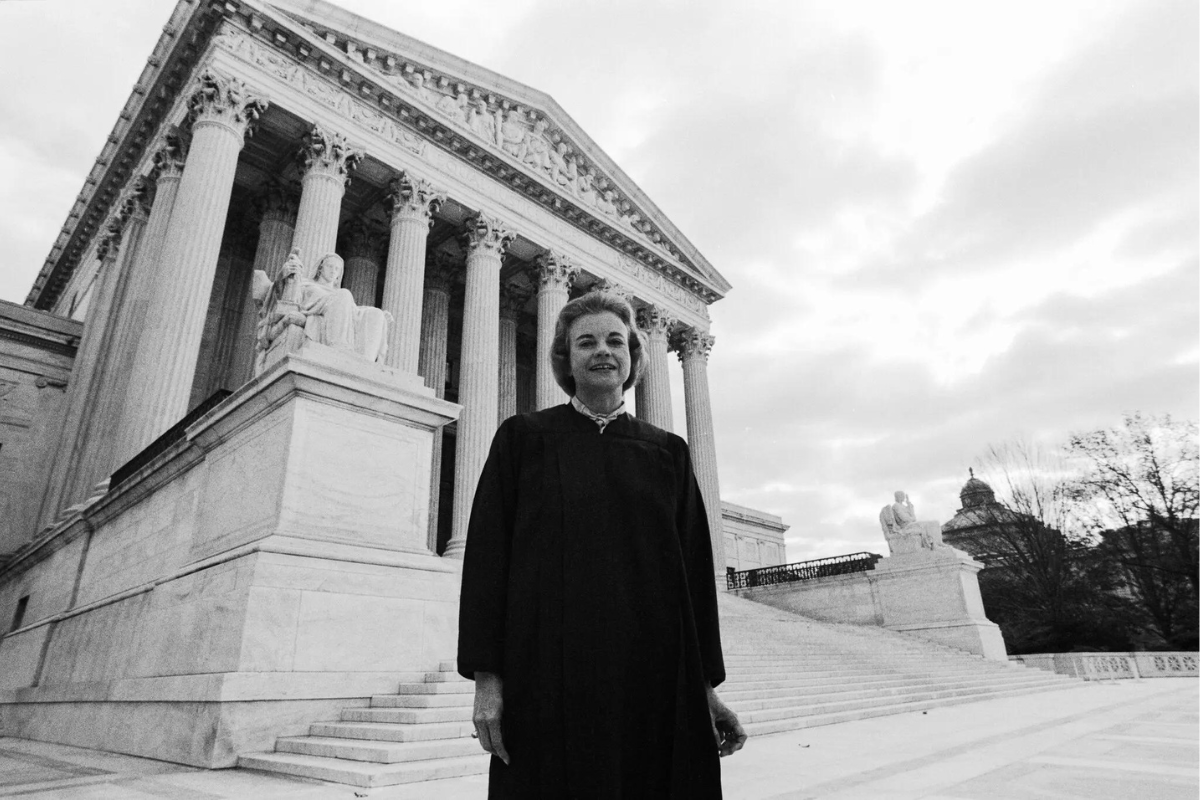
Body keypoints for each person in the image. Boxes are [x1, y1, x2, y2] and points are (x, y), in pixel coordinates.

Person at [457, 292, 746, 798]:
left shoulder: (668, 453)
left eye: (616, 341)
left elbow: (695, 579)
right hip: (546, 673)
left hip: (653, 676)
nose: (602, 351)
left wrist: (705, 690)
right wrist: (487, 679)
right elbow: (486, 563)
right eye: (586, 342)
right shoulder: (522, 439)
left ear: (633, 356)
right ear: (566, 359)